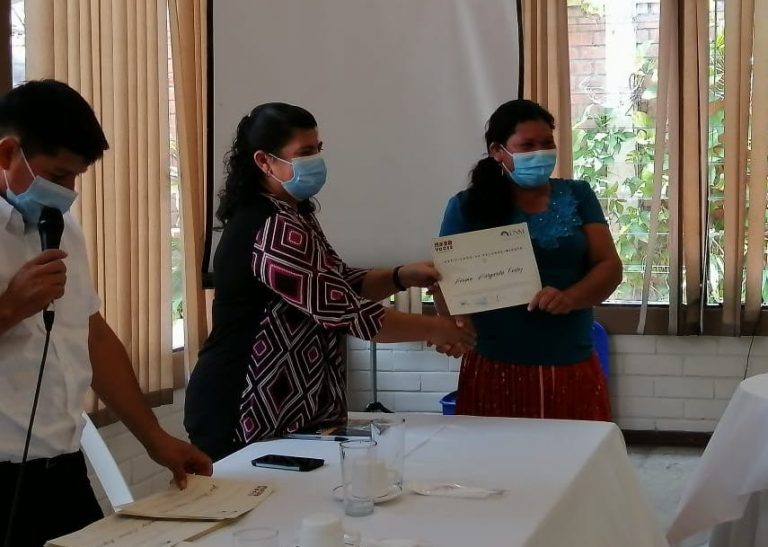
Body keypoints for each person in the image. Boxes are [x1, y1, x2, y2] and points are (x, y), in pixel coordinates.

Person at [185, 103, 475, 461]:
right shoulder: (271, 227)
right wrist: (436, 328)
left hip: (289, 408)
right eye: (304, 152)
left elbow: (340, 281)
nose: (317, 161)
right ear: (264, 161)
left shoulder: (293, 214)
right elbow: (343, 311)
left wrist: (401, 276)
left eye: (318, 149)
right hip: (244, 405)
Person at [0, 80, 212, 547]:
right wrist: (10, 307)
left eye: (76, 177)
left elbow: (92, 336)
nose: (68, 192)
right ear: (8, 153)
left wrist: (154, 438)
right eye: (58, 176)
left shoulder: (62, 227)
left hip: (62, 469)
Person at [433, 99, 621, 420]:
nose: (540, 153)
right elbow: (446, 282)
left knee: (575, 449)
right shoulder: (467, 206)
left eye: (547, 143)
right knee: (498, 451)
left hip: (570, 357)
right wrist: (455, 328)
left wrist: (570, 298)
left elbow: (609, 266)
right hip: (495, 361)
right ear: (497, 151)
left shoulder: (578, 194)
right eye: (527, 145)